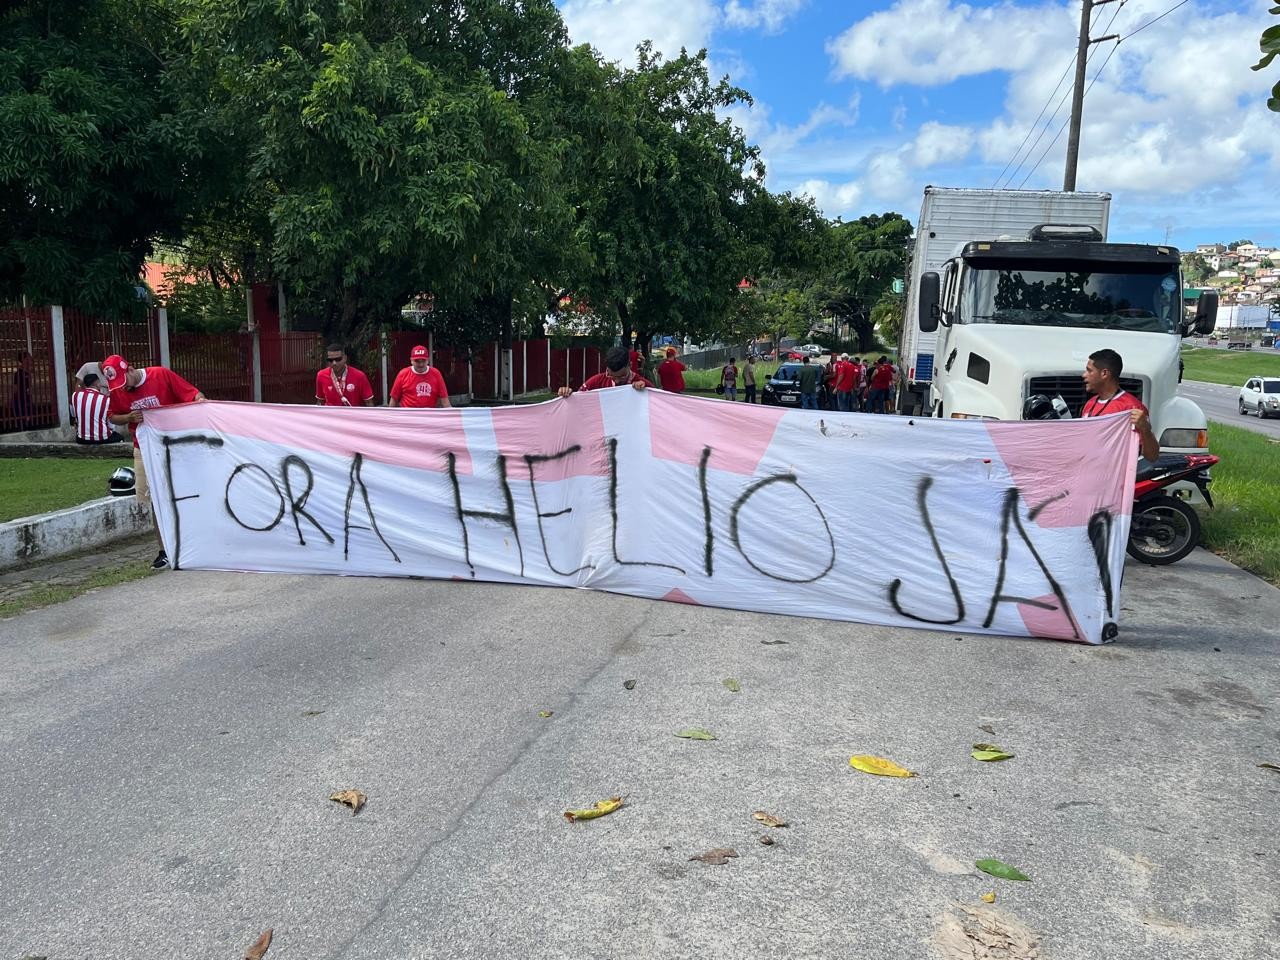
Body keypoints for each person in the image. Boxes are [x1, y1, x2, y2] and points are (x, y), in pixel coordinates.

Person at [102, 353, 206, 569]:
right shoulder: (118, 391)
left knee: (186, 492)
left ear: (130, 369)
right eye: (117, 385)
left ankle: (196, 540)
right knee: (154, 499)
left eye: (124, 381)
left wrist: (202, 404)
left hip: (175, 445)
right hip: (144, 448)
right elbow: (112, 416)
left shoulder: (159, 375)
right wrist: (129, 418)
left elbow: (194, 395)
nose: (123, 388)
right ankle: (164, 550)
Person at [1081, 348, 1160, 462]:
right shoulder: (1090, 404)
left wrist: (1146, 430)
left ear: (1104, 373)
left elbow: (1152, 457)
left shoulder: (1132, 408)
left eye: (1089, 371)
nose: (1084, 375)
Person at [557, 345, 653, 396]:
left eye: (621, 376)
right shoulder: (596, 382)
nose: (617, 381)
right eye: (611, 376)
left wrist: (646, 392)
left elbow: (659, 405)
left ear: (630, 365)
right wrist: (566, 394)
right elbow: (577, 401)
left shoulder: (643, 384)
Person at [71, 362, 122, 444]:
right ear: (98, 384)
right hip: (102, 438)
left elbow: (75, 415)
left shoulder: (75, 396)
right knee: (119, 438)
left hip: (81, 439)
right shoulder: (105, 399)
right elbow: (111, 424)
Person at [10, 350, 34, 429]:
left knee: (28, 419)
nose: (31, 360)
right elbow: (15, 389)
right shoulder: (19, 373)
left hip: (27, 399)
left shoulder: (28, 373)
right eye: (29, 358)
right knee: (23, 420)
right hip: (20, 400)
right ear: (24, 360)